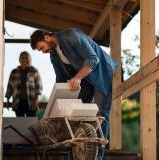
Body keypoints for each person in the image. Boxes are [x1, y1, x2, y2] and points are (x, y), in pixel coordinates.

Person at [30, 28, 118, 159]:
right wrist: (56, 104)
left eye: (42, 48)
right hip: (85, 80)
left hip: (102, 72)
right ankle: (80, 153)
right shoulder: (54, 55)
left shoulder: (71, 35)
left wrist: (77, 78)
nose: (43, 52)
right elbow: (60, 79)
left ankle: (97, 156)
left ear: (47, 37)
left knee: (101, 113)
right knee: (77, 113)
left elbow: (93, 59)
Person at [5, 51, 43, 117]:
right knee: (20, 123)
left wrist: (36, 99)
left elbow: (38, 86)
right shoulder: (14, 72)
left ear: (29, 59)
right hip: (18, 102)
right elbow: (9, 86)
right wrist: (8, 100)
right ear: (19, 59)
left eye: (26, 58)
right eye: (22, 58)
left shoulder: (34, 71)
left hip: (31, 101)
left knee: (31, 123)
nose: (24, 60)